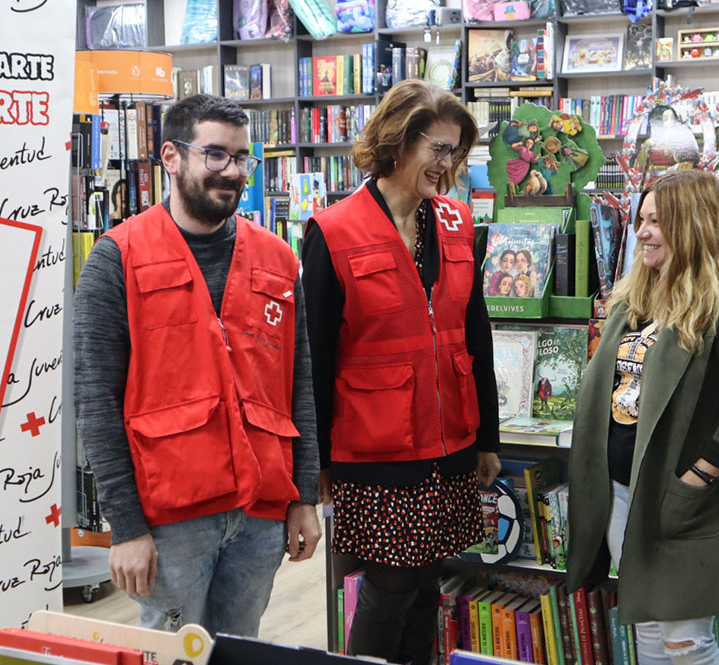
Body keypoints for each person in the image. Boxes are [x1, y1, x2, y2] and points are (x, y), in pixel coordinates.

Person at [73, 94, 321, 638]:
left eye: (241, 158)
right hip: (170, 516)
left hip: (261, 508)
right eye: (215, 155)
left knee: (239, 646)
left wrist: (305, 497)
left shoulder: (278, 259)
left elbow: (297, 385)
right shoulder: (117, 258)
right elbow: (95, 404)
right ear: (170, 157)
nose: (231, 172)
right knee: (170, 652)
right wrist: (127, 528)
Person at [302, 79, 502, 665]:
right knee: (388, 594)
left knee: (425, 589)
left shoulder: (458, 224)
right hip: (378, 451)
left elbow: (476, 337)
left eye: (456, 152)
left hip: (450, 443)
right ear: (398, 143)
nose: (448, 165)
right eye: (438, 149)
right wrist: (313, 465)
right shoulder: (333, 232)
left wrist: (486, 436)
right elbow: (312, 358)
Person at [565, 170, 719, 665]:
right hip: (620, 495)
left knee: (688, 645)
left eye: (657, 221)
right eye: (641, 220)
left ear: (693, 225)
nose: (642, 232)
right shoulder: (636, 298)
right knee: (652, 633)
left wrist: (694, 481)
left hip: (680, 500)